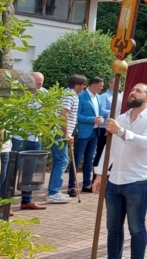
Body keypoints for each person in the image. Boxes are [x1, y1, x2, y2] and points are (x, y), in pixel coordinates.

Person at [93, 83, 147, 259]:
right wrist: (100, 174)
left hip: (138, 181)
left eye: (138, 91)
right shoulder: (121, 118)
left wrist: (121, 132)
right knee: (113, 228)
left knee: (136, 228)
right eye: (132, 90)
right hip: (114, 180)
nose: (132, 93)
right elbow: (110, 149)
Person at [47, 74, 86, 204]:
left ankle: (53, 191)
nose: (84, 88)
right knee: (62, 161)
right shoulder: (70, 96)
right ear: (76, 85)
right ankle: (54, 192)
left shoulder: (66, 93)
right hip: (60, 133)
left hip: (60, 132)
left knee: (59, 161)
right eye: (83, 85)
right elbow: (64, 114)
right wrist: (66, 134)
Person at [13, 72, 48, 210]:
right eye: (36, 84)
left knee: (30, 171)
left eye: (41, 84)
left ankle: (26, 200)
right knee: (12, 170)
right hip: (19, 138)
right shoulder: (19, 93)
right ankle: (4, 204)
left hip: (35, 138)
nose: (38, 87)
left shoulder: (45, 94)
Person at [69, 76, 104, 196]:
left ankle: (86, 184)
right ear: (94, 86)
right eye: (100, 86)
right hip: (83, 133)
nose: (101, 88)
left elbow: (98, 113)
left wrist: (101, 119)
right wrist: (92, 119)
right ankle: (71, 186)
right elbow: (76, 115)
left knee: (89, 160)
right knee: (77, 159)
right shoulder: (80, 97)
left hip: (95, 133)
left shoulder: (99, 97)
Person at [95, 76, 121, 182]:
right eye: (115, 83)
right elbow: (102, 110)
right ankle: (97, 176)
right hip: (104, 127)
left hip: (116, 128)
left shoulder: (120, 95)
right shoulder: (104, 96)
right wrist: (113, 110)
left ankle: (109, 175)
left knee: (114, 152)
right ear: (110, 84)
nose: (118, 85)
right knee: (102, 152)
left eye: (119, 83)